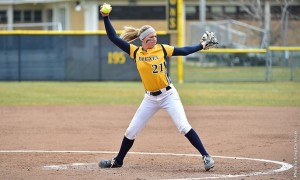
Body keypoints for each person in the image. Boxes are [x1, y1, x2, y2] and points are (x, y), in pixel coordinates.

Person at [99, 4, 216, 171]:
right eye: (151, 37)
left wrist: (201, 45)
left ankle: (206, 156)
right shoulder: (136, 52)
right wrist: (105, 17)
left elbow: (183, 51)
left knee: (183, 126)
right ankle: (118, 161)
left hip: (168, 95)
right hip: (150, 98)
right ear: (144, 40)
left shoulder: (162, 49)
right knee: (131, 131)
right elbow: (113, 37)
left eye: (155, 36)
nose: (155, 39)